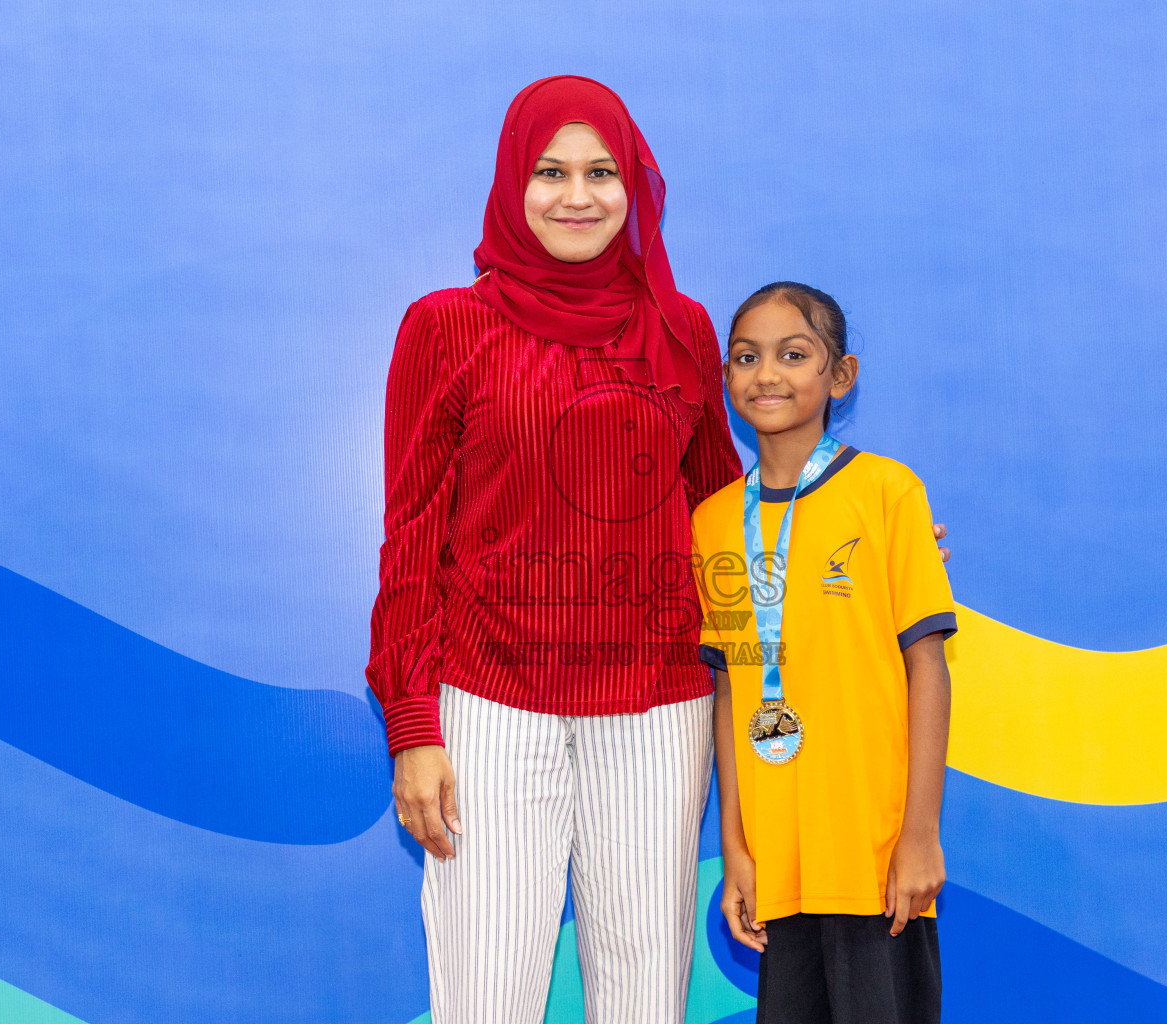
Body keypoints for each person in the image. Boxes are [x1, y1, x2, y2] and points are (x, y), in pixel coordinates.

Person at [368, 77, 951, 1023]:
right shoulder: (446, 327)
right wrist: (413, 726)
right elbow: (411, 538)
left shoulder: (678, 329)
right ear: (514, 182)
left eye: (602, 171)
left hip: (656, 710)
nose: (578, 194)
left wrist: (874, 533)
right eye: (550, 171)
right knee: (485, 993)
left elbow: (728, 513)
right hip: (487, 705)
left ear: (633, 186)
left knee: (644, 995)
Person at [692, 282, 956, 1024]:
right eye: (745, 357)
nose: (766, 374)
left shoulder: (887, 492)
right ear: (726, 380)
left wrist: (920, 835)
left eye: (793, 354)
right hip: (780, 864)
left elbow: (927, 667)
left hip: (874, 860)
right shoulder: (713, 523)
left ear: (839, 377)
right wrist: (737, 848)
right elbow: (730, 692)